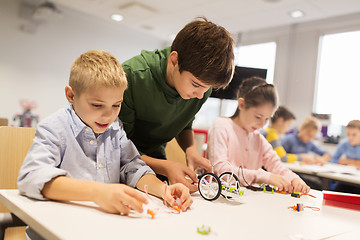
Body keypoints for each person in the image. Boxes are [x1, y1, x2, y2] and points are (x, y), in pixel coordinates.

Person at [17, 50, 192, 239]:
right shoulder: (54, 128)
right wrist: (97, 192)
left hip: (100, 230)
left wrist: (163, 190)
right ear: (71, 95)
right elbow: (31, 176)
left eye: (116, 105)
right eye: (97, 105)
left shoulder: (115, 129)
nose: (108, 116)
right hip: (54, 232)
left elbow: (133, 167)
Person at [119, 17, 235, 192]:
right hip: (119, 166)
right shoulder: (132, 77)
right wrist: (165, 166)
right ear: (174, 60)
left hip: (157, 164)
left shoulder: (201, 88)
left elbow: (184, 122)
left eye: (208, 89)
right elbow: (115, 147)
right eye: (195, 85)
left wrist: (190, 150)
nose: (200, 95)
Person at [207, 77, 309, 193]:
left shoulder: (257, 138)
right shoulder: (221, 126)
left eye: (267, 119)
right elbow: (220, 170)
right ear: (242, 104)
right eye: (258, 117)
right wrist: (262, 176)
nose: (262, 124)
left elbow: (276, 165)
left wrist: (295, 179)